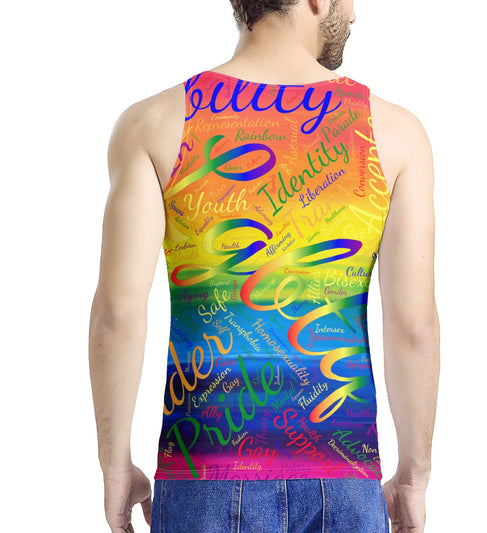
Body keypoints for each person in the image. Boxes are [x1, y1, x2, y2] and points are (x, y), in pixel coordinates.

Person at [88, 0, 440, 532]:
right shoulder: (392, 132)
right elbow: (413, 325)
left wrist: (114, 465)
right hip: (342, 470)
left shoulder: (155, 124)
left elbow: (117, 313)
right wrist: (413, 477)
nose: (354, 13)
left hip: (201, 471)